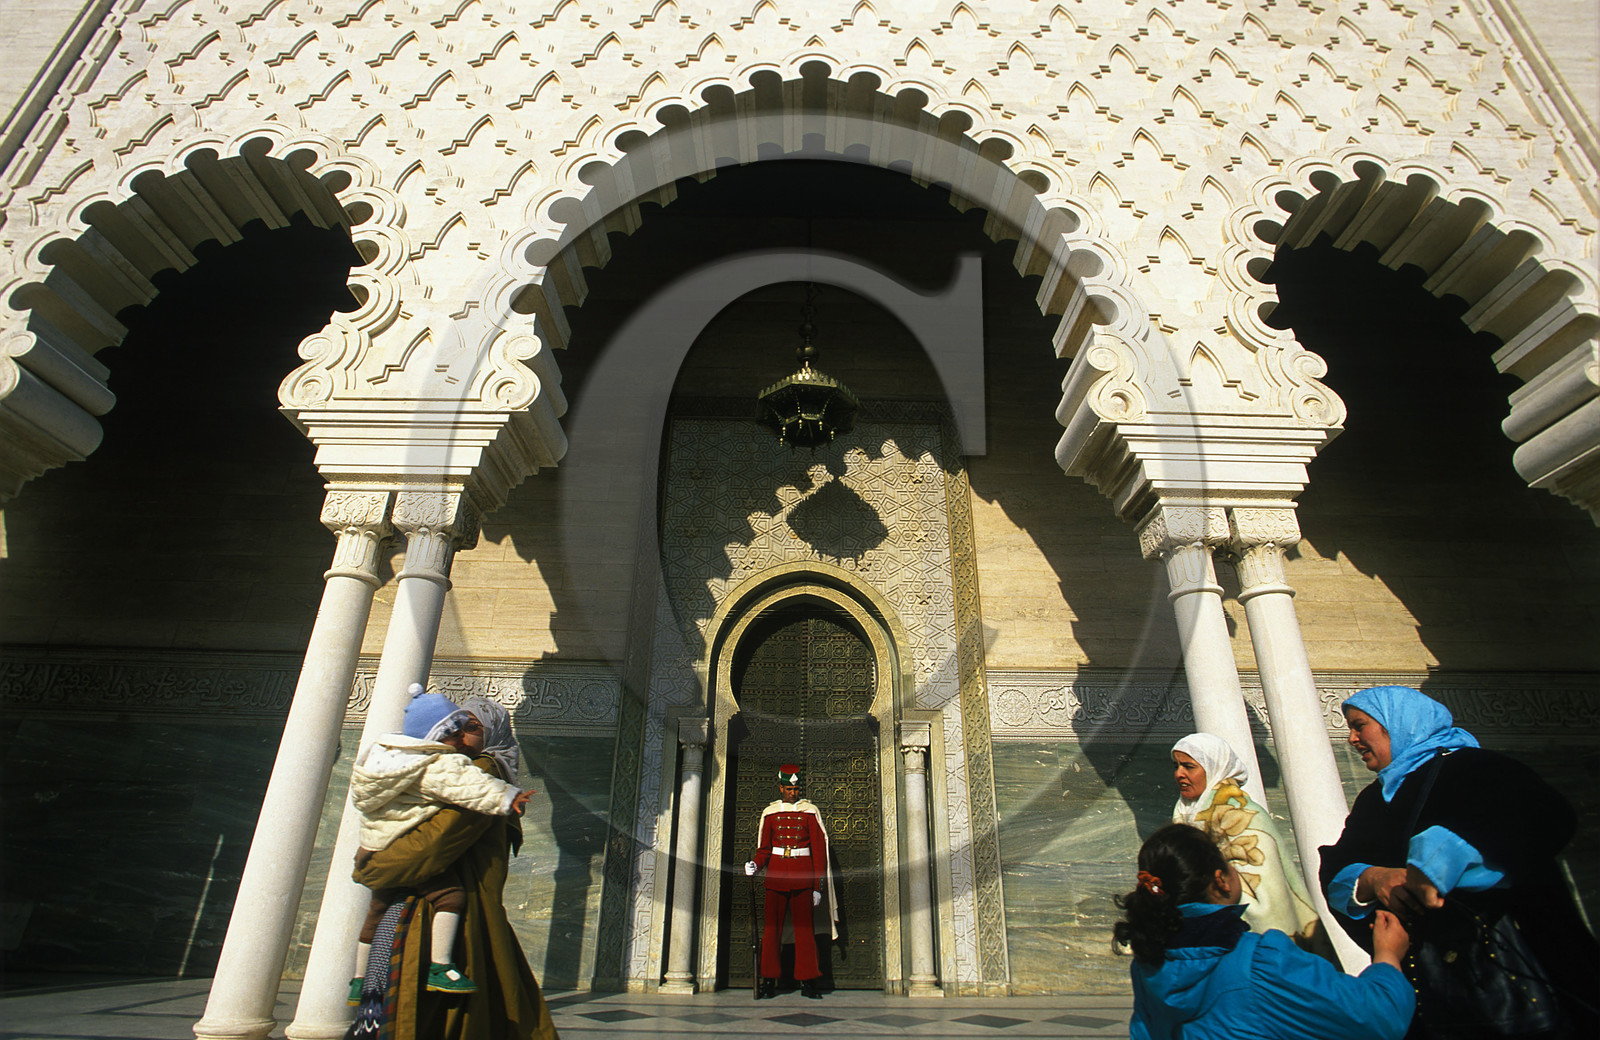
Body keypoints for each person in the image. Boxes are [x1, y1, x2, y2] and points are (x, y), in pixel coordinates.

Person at [1318, 684, 1598, 1037]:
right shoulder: (1374, 800)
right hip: (1428, 987)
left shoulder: (1476, 768)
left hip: (1521, 971)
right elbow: (1337, 866)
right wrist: (1373, 879)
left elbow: (1545, 816)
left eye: (1360, 726)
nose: (1352, 739)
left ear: (1400, 721)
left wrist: (1436, 862)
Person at [349, 694, 559, 1040]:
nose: (459, 737)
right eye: (454, 728)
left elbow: (433, 844)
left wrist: (375, 867)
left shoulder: (482, 772)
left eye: (470, 728)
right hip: (437, 904)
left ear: (492, 734)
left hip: (439, 911)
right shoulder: (450, 770)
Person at [1117, 822, 1414, 1040]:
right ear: (1221, 880)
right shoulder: (1260, 961)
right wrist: (1388, 955)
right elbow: (1379, 1018)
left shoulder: (1149, 964)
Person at [1170, 733, 1334, 960]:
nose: (1179, 774)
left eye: (1189, 766)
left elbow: (1267, 898)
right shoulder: (1186, 812)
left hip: (1251, 950)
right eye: (1176, 766)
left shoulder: (1243, 816)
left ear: (1214, 768)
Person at [742, 763, 837, 999]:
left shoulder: (810, 812)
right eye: (788, 789)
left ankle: (808, 981)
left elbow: (819, 853)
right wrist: (755, 865)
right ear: (781, 788)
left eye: (795, 789)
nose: (793, 793)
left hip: (802, 879)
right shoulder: (770, 813)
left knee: (805, 932)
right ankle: (768, 980)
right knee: (771, 931)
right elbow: (764, 850)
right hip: (776, 878)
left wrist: (817, 887)